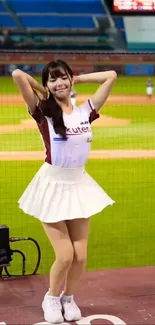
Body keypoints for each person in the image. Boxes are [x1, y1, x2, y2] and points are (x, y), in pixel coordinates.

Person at [12, 60, 117, 324]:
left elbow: (111, 76)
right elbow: (17, 74)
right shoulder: (42, 113)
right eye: (53, 79)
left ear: (70, 79)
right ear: (47, 84)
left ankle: (67, 298)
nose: (59, 83)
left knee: (81, 255)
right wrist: (43, 89)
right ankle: (51, 297)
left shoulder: (86, 112)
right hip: (52, 186)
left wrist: (75, 79)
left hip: (79, 184)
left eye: (63, 78)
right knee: (65, 254)